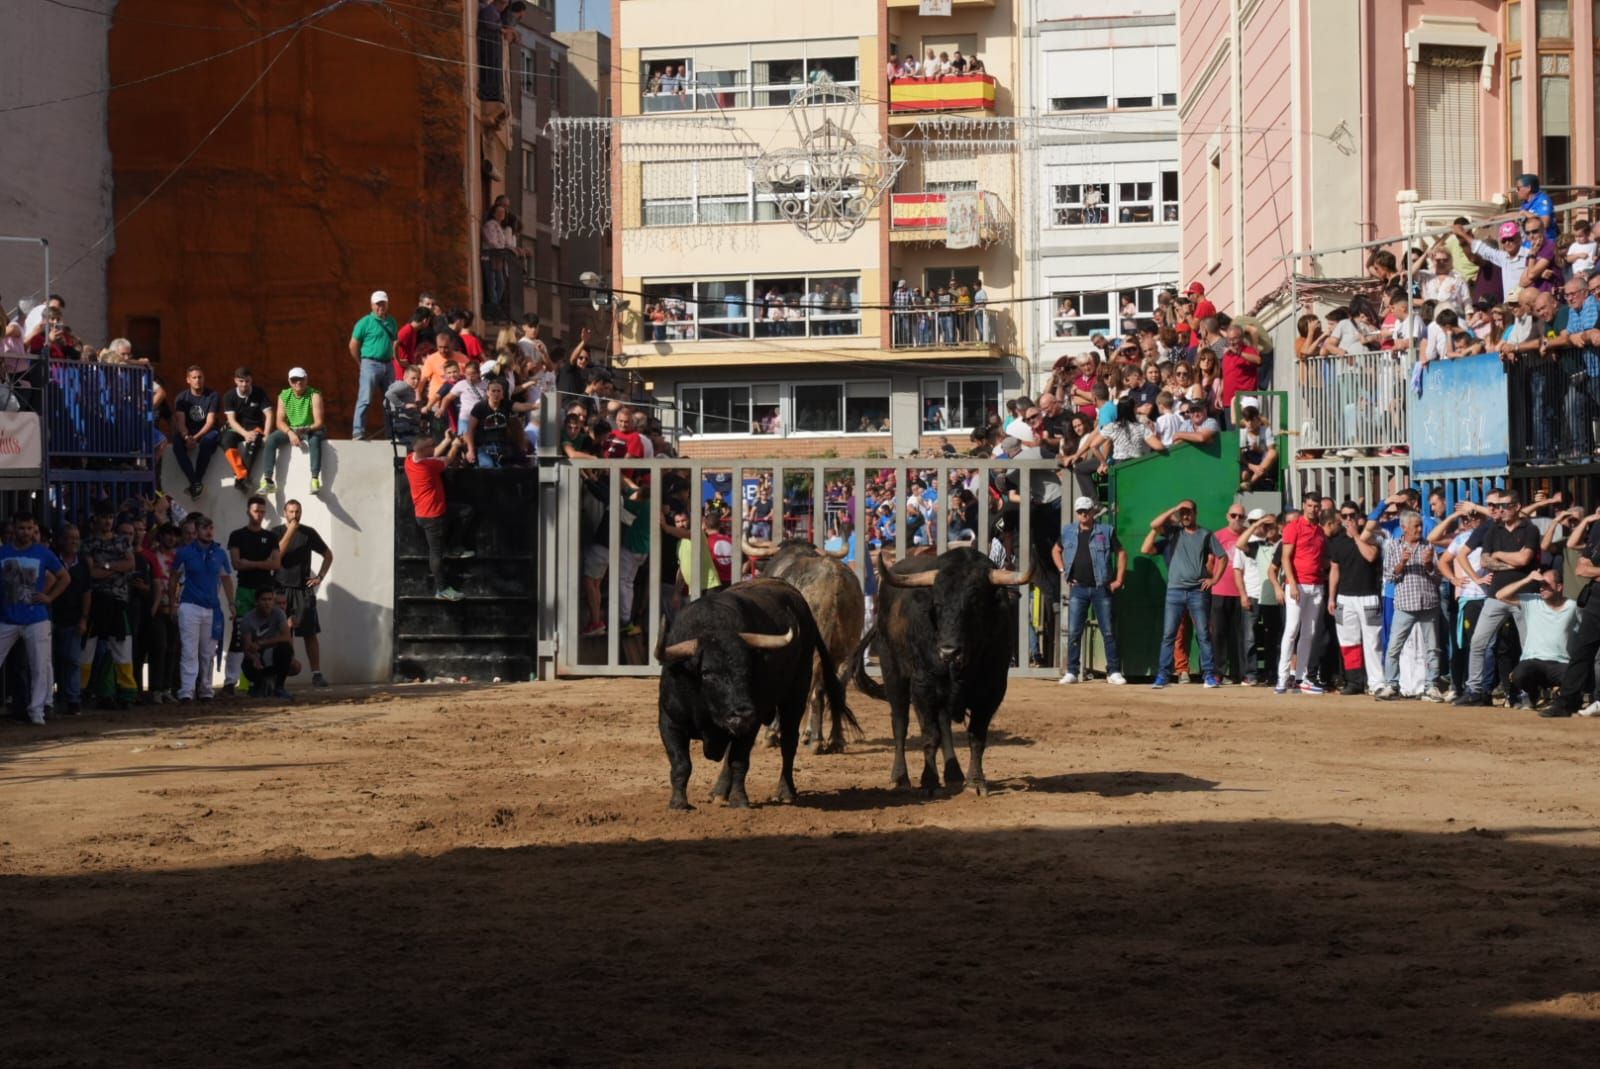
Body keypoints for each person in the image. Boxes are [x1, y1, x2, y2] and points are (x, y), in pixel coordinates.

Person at [1456, 492, 1542, 707]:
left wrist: (1500, 555)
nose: (1500, 510)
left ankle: (1528, 693)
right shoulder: (1494, 528)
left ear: (1517, 506)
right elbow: (1486, 560)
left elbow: (1525, 559)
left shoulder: (1530, 529)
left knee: (1528, 647)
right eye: (1497, 506)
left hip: (1524, 595)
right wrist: (1513, 562)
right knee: (1477, 642)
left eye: (1505, 506)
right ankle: (1475, 690)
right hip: (1495, 595)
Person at [1143, 499, 1225, 688]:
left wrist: (1214, 580)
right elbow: (1154, 525)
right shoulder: (1174, 532)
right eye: (1183, 513)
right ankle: (1163, 676)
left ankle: (1209, 676)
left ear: (1195, 513)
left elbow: (1223, 557)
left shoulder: (1205, 534)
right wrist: (1174, 508)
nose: (1186, 516)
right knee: (1169, 634)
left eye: (1189, 512)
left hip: (1198, 591)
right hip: (1175, 591)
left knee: (1204, 634)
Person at [0, 513, 68, 725]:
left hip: (36, 618)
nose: (26, 532)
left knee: (40, 665)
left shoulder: (43, 553)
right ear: (15, 529)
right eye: (22, 528)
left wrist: (49, 597)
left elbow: (64, 577)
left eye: (29, 528)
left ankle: (37, 710)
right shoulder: (3, 552)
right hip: (7, 618)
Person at [1053, 496, 1126, 685]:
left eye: (1086, 511)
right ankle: (1072, 671)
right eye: (1080, 512)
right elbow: (1056, 550)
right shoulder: (1068, 531)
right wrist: (1063, 571)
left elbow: (1121, 553)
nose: (1083, 514)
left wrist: (1118, 579)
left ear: (1093, 511)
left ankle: (1114, 671)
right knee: (1074, 631)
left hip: (1101, 587)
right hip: (1078, 588)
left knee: (1108, 631)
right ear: (1077, 513)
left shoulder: (1106, 531)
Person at [1373, 511, 1446, 702]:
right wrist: (1403, 563)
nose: (1420, 529)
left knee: (1433, 648)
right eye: (1416, 526)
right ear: (1404, 528)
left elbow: (1438, 578)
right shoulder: (1395, 547)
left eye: (1420, 526)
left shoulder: (1428, 546)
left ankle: (1431, 686)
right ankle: (1391, 684)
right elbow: (1390, 576)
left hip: (1428, 603)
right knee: (1394, 646)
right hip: (1405, 605)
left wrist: (1429, 564)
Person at [170, 513, 235, 703]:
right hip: (189, 604)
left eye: (211, 528)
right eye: (205, 528)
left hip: (212, 607)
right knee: (190, 649)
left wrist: (231, 603)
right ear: (197, 531)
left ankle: (205, 688)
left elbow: (226, 579)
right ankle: (187, 690)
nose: (209, 532)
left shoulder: (220, 553)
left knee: (207, 651)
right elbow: (174, 577)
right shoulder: (185, 552)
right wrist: (173, 601)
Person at [1497, 566, 1578, 710]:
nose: (1542, 588)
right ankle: (1532, 694)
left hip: (1561, 662)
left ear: (1559, 587)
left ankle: (1559, 696)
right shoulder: (1532, 601)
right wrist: (1528, 579)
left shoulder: (1573, 607)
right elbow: (1500, 595)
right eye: (1541, 585)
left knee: (1575, 675)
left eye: (1546, 585)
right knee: (1519, 675)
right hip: (1533, 661)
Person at [224, 496, 282, 696]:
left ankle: (260, 680)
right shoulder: (237, 535)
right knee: (240, 634)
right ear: (248, 511)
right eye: (256, 510)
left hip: (265, 590)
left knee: (265, 635)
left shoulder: (271, 536)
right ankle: (231, 681)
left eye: (262, 511)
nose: (259, 514)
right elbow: (236, 563)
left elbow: (276, 564)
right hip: (246, 590)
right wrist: (261, 563)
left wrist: (251, 563)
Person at [81, 505, 137, 708]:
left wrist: (104, 566)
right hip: (95, 602)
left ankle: (126, 694)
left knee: (122, 648)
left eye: (111, 517)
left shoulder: (121, 540)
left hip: (118, 602)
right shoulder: (88, 543)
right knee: (87, 649)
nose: (107, 521)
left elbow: (130, 565)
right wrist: (116, 568)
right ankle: (81, 692)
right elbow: (91, 573)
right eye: (104, 517)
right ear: (96, 518)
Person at [406, 433, 473, 601]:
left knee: (465, 511)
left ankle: (454, 548)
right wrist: (455, 446)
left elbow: (434, 453)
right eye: (431, 445)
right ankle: (441, 589)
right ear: (423, 450)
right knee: (436, 553)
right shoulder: (428, 466)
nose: (434, 447)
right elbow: (447, 460)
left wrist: (448, 440)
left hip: (427, 512)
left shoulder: (410, 459)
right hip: (432, 516)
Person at [272, 500, 332, 688]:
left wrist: (320, 577)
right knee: (283, 630)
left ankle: (316, 673)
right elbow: (277, 556)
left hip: (303, 590)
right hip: (280, 588)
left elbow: (328, 554)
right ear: (284, 513)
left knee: (310, 632)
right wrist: (290, 530)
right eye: (291, 511)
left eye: (298, 511)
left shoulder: (309, 533)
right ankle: (281, 673)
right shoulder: (276, 532)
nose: (295, 515)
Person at [1327, 502, 1384, 695]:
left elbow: (1370, 557)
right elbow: (1334, 570)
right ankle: (1354, 681)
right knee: (1349, 642)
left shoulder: (1371, 537)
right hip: (1345, 597)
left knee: (1372, 641)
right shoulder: (1337, 541)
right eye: (1344, 516)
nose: (1348, 519)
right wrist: (1331, 598)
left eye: (1352, 515)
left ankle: (1376, 682)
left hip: (1368, 596)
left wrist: (1357, 537)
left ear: (1359, 517)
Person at [1276, 495, 1328, 694]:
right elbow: (1285, 557)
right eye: (1309, 506)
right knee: (1292, 630)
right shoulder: (1293, 527)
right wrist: (1293, 583)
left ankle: (1301, 677)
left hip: (1316, 585)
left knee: (1310, 632)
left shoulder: (1320, 531)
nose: (1313, 509)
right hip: (1298, 584)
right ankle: (1282, 677)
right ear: (1304, 506)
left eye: (1316, 506)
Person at [264, 367, 327, 494]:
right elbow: (279, 421)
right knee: (271, 439)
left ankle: (315, 478)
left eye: (301, 379)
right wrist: (290, 433)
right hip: (293, 429)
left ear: (306, 379)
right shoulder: (283, 395)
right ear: (289, 381)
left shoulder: (314, 395)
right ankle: (268, 480)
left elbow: (319, 422)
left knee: (315, 440)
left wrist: (305, 430)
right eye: (294, 380)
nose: (298, 382)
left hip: (311, 428)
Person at [49, 524, 91, 715]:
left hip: (73, 618)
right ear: (61, 540)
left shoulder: (82, 563)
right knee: (50, 661)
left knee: (72, 660)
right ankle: (52, 698)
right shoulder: (51, 559)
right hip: (49, 617)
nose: (73, 541)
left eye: (76, 538)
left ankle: (73, 699)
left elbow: (86, 593)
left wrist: (83, 618)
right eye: (69, 538)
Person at [235, 587, 298, 702]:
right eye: (264, 600)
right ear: (256, 602)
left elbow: (286, 637)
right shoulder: (248, 619)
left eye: (270, 599)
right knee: (247, 665)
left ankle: (279, 687)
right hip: (257, 657)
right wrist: (254, 658)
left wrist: (261, 643)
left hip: (273, 654)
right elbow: (247, 647)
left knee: (288, 654)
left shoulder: (279, 614)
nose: (267, 603)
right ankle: (259, 685)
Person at [350, 290, 397, 440]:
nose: (380, 307)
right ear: (372, 305)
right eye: (377, 304)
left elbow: (394, 342)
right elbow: (353, 345)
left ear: (387, 304)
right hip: (370, 363)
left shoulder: (392, 321)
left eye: (383, 303)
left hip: (388, 364)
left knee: (391, 399)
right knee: (365, 398)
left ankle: (392, 432)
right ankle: (358, 430)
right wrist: (360, 362)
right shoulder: (364, 322)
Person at [219, 367, 274, 490]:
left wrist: (266, 434)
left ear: (251, 380)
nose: (244, 384)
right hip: (237, 428)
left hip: (255, 427)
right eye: (241, 381)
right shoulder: (229, 396)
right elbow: (231, 420)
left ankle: (241, 479)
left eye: (247, 381)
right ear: (235, 381)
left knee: (255, 442)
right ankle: (242, 474)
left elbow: (269, 414)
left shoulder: (260, 393)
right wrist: (244, 434)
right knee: (226, 440)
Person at [171, 365, 222, 499]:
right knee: (177, 443)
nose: (197, 380)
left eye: (200, 377)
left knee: (206, 443)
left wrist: (196, 437)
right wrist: (186, 437)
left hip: (208, 431)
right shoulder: (181, 398)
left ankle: (196, 481)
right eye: (194, 378)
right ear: (188, 380)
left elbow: (210, 422)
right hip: (189, 432)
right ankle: (195, 482)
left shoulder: (213, 395)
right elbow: (180, 422)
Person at [385, 363, 425, 447]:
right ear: (405, 377)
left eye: (418, 378)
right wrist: (403, 405)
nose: (416, 381)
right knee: (415, 446)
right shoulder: (404, 385)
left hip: (408, 424)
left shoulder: (410, 389)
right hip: (403, 424)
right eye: (413, 378)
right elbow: (389, 394)